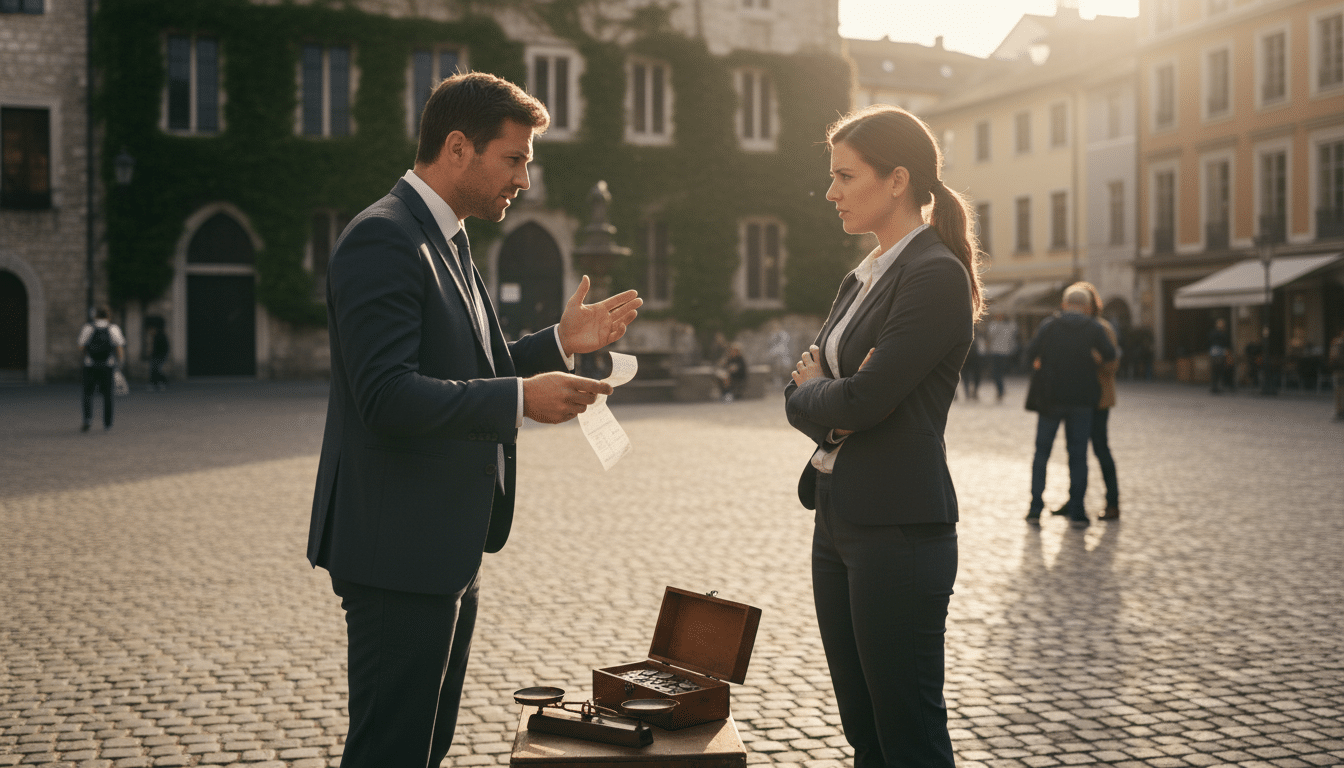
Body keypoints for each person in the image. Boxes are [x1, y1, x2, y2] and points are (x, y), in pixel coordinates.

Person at [306, 72, 641, 768]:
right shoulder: (385, 239)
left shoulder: (447, 236)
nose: (524, 177)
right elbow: (387, 395)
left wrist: (557, 343)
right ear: (457, 148)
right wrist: (519, 401)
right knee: (390, 753)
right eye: (513, 158)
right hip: (396, 550)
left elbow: (473, 360)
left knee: (423, 750)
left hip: (443, 546)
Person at [785, 104, 982, 768]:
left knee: (908, 731)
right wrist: (826, 396)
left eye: (845, 176)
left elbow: (865, 397)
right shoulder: (864, 274)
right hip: (838, 517)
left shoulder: (934, 273)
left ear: (897, 180)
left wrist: (825, 393)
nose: (831, 192)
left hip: (899, 528)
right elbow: (810, 388)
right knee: (864, 727)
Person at [1024, 286, 1117, 528]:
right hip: (1083, 400)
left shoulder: (1049, 326)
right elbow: (1111, 354)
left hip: (1051, 398)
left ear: (1065, 304)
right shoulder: (1094, 328)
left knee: (1041, 453)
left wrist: (1040, 363)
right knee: (1078, 456)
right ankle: (1077, 511)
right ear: (1085, 306)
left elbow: (1029, 353)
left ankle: (1035, 508)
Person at [1072, 282, 1121, 520]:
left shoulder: (1103, 329)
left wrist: (1096, 359)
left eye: (1081, 305)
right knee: (1076, 452)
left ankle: (1113, 503)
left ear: (1091, 307)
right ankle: (1074, 500)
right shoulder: (1073, 329)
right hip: (1078, 399)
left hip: (1099, 400)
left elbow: (1113, 364)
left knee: (1101, 449)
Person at [78, 306, 125, 431]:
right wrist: (120, 363)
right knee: (108, 394)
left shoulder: (88, 328)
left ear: (95, 315)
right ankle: (107, 423)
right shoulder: (113, 328)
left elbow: (81, 346)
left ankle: (87, 419)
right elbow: (119, 348)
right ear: (108, 316)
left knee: (88, 393)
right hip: (107, 365)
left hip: (90, 365)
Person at [985, 311, 1018, 402]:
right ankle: (1000, 390)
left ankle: (1000, 390)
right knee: (996, 373)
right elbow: (990, 334)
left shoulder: (1008, 325)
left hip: (1003, 352)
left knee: (998, 373)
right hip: (996, 351)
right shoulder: (994, 324)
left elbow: (1014, 331)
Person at [1208, 318, 1233, 394]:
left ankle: (1215, 386)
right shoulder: (1222, 334)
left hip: (1214, 352)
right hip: (1219, 353)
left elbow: (1209, 342)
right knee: (1219, 370)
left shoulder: (1212, 333)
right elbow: (1225, 343)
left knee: (1215, 370)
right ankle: (1216, 386)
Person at [148, 325, 170, 391]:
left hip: (159, 356)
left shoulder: (159, 337)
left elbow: (158, 348)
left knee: (156, 370)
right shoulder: (158, 336)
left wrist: (154, 355)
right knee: (155, 370)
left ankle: (162, 383)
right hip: (159, 356)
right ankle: (157, 384)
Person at [1329, 329, 1344, 421]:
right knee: (1339, 390)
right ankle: (1340, 411)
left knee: (1339, 391)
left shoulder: (1337, 343)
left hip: (1339, 371)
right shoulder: (1338, 343)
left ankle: (1340, 411)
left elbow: (1333, 357)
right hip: (1339, 370)